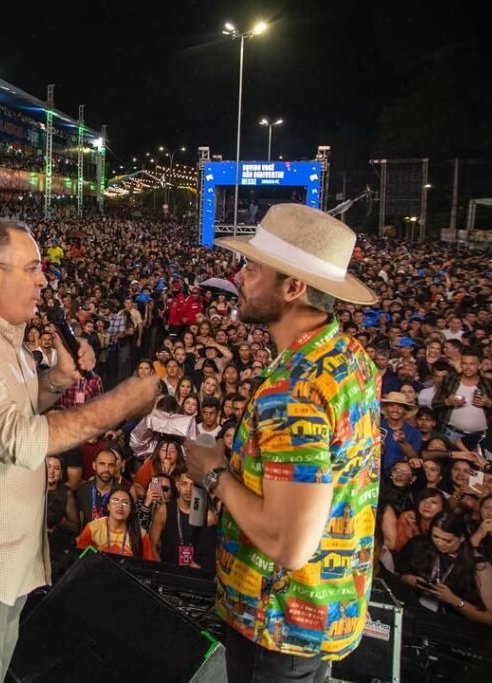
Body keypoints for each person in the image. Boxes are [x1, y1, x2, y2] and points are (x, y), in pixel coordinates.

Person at [0, 218, 158, 683]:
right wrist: (120, 404)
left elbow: (17, 411)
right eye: (32, 268)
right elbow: (18, 440)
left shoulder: (2, 335)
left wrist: (56, 381)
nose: (43, 280)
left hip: (8, 555)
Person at [185, 204, 382, 680]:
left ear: (293, 288)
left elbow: (289, 543)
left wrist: (214, 475)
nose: (239, 276)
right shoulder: (347, 356)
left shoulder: (295, 390)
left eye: (253, 267)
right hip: (317, 613)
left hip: (277, 624)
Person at [396, 512, 492, 626]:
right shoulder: (419, 545)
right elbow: (395, 574)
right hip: (415, 614)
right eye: (435, 537)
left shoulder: (479, 566)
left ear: (461, 538)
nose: (440, 543)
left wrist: (454, 600)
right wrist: (408, 579)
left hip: (457, 626)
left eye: (447, 541)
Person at [75, 488, 155, 559]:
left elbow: (149, 566)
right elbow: (80, 560)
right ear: (108, 506)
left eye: (125, 503)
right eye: (115, 501)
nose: (120, 506)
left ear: (130, 509)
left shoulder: (141, 534)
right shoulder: (92, 528)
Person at [380, 391, 423, 476]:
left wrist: (403, 442)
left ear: (405, 410)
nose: (395, 410)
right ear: (386, 408)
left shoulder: (414, 432)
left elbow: (414, 457)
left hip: (399, 476)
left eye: (400, 406)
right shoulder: (375, 426)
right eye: (391, 405)